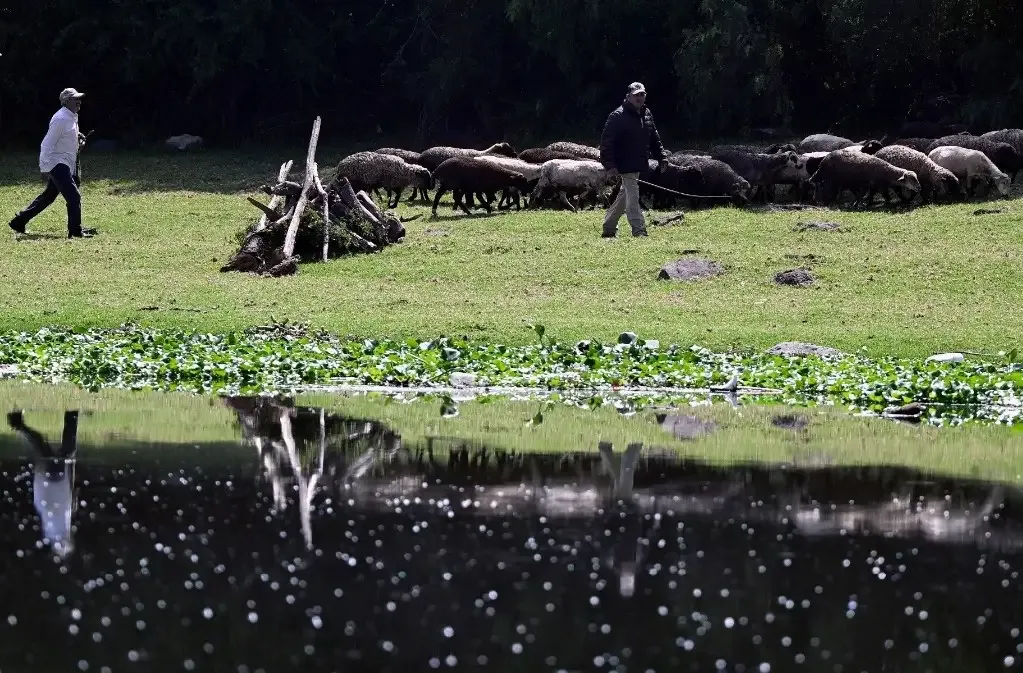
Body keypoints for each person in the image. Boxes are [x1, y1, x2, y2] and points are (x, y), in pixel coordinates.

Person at [8, 88, 96, 239]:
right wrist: (44, 168)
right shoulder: (60, 119)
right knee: (74, 196)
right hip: (57, 163)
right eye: (76, 99)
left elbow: (66, 136)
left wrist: (78, 139)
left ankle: (19, 221)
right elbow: (46, 144)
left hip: (65, 163)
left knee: (48, 196)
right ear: (67, 101)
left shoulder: (71, 116)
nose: (79, 101)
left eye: (79, 98)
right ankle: (75, 231)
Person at [598, 82, 668, 238]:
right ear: (628, 97)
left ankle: (608, 227)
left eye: (642, 94)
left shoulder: (646, 113)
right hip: (624, 164)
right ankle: (639, 230)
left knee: (625, 195)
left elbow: (654, 138)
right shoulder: (617, 116)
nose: (639, 97)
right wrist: (609, 165)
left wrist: (662, 157)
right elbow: (606, 144)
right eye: (636, 95)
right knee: (633, 196)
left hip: (639, 163)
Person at [7, 409, 80, 558]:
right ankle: (18, 425)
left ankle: (71, 414)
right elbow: (51, 503)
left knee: (56, 448)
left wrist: (70, 464)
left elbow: (68, 495)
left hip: (55, 481)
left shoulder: (62, 527)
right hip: (44, 485)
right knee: (43, 447)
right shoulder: (51, 528)